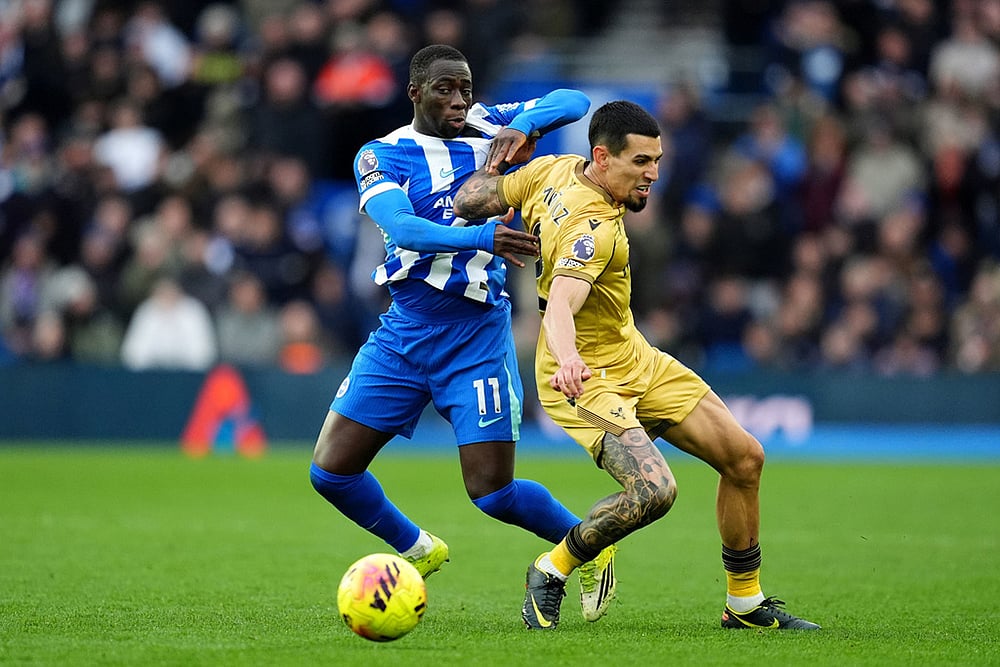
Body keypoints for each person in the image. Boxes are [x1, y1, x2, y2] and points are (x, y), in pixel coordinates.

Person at [453, 100, 820, 631]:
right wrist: (572, 359)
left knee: (745, 458)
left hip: (635, 358)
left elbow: (471, 199)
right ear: (602, 157)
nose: (653, 173)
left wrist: (492, 181)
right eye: (641, 162)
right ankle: (551, 568)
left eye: (657, 160)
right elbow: (560, 304)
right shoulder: (591, 229)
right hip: (580, 377)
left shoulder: (548, 170)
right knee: (654, 492)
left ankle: (744, 603)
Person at [309, 44, 618, 623]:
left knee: (492, 494)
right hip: (404, 331)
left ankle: (589, 544)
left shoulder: (491, 124)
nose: (459, 99)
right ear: (415, 93)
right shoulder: (382, 155)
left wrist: (522, 125)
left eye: (466, 87)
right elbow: (401, 228)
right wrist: (482, 240)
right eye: (445, 88)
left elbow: (573, 100)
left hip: (476, 336)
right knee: (330, 471)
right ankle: (420, 549)